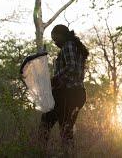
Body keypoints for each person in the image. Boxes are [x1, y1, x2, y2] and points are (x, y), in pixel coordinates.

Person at [38, 24, 89, 152]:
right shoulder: (75, 46)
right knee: (66, 130)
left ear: (62, 35)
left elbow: (72, 67)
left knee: (45, 125)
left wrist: (54, 80)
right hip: (77, 94)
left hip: (68, 93)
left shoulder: (69, 45)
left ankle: (39, 152)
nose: (55, 43)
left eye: (56, 39)